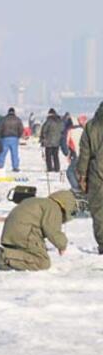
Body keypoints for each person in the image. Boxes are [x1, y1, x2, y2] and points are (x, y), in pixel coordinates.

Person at [0, 190, 77, 271]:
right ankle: (4, 256)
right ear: (67, 205)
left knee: (29, 254)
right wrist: (62, 244)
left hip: (11, 232)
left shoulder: (39, 201)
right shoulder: (53, 207)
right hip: (26, 233)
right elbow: (52, 230)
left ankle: (6, 258)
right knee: (42, 262)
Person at [77, 102, 103, 255]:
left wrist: (82, 176)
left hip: (95, 173)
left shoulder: (90, 126)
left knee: (99, 211)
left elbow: (84, 154)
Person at [63, 115, 86, 191]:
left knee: (70, 172)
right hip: (85, 154)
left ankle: (76, 188)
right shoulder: (83, 130)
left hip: (76, 154)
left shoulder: (70, 131)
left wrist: (68, 154)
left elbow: (67, 144)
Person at [0, 107, 24, 172]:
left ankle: (0, 166)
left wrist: (1, 136)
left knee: (2, 153)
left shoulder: (3, 119)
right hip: (14, 138)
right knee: (15, 153)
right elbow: (21, 129)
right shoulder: (18, 119)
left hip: (5, 138)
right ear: (14, 112)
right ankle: (15, 167)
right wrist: (18, 136)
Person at [40, 108, 64, 172]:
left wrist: (43, 139)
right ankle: (57, 168)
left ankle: (49, 168)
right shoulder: (60, 121)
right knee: (56, 156)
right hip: (57, 142)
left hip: (48, 142)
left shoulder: (48, 121)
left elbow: (44, 130)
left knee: (48, 157)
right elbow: (62, 130)